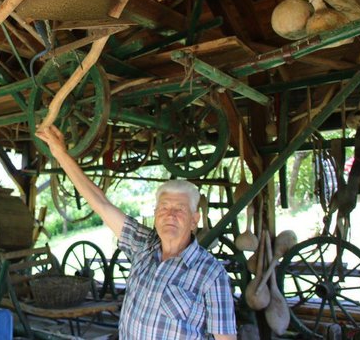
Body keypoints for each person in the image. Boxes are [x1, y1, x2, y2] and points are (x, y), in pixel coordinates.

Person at [36, 125, 237, 340]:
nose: (170, 215)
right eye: (164, 207)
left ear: (194, 220)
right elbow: (101, 203)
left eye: (180, 209)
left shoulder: (211, 274)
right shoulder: (143, 245)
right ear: (155, 213)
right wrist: (59, 153)